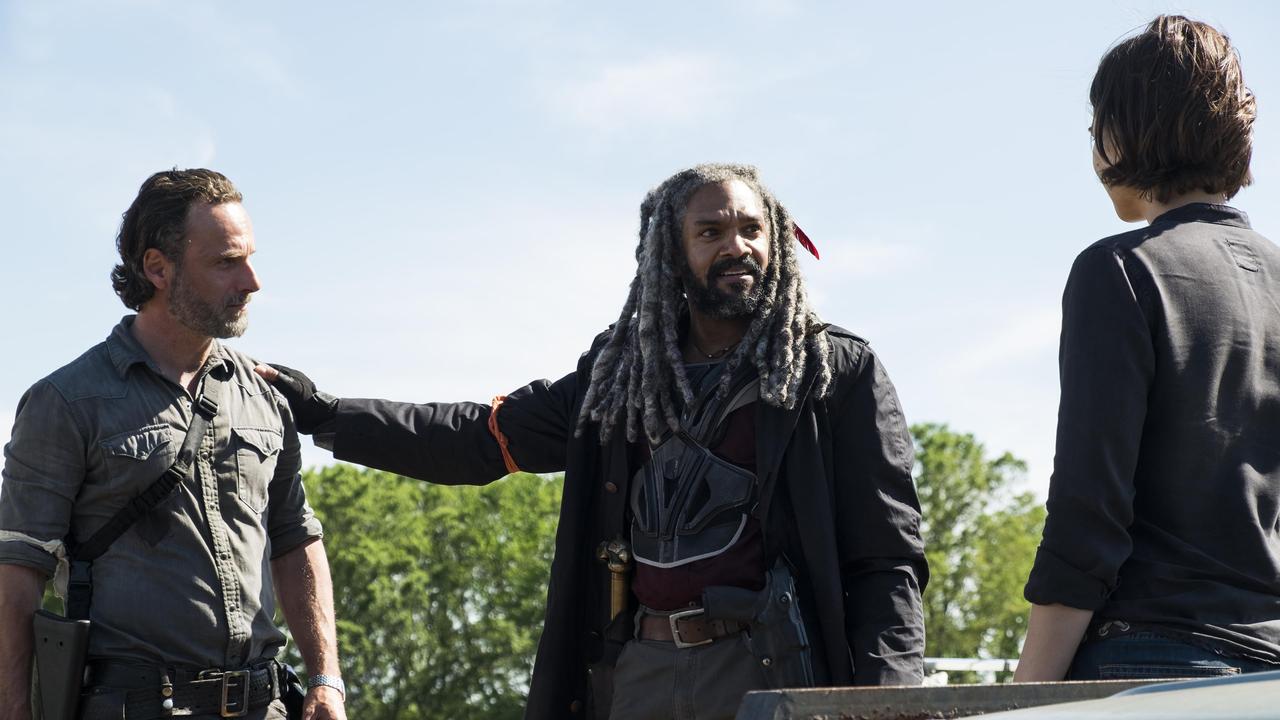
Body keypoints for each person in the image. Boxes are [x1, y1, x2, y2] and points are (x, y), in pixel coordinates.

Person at [260, 163, 927, 719]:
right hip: (640, 672)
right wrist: (326, 415)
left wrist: (890, 700)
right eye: (711, 232)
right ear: (673, 254)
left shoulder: (834, 372)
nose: (737, 246)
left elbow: (887, 561)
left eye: (752, 229)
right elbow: (480, 438)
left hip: (772, 671)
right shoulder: (620, 375)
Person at [0, 169, 346, 719]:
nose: (252, 281)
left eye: (250, 258)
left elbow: (295, 538)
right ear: (158, 268)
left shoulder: (265, 396)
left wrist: (327, 680)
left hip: (265, 705)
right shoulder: (66, 402)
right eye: (226, 262)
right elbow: (17, 572)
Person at [1014, 16, 1280, 682]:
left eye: (1096, 125)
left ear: (1124, 131)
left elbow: (1089, 511)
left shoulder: (1120, 270)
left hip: (1151, 658)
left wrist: (1025, 694)